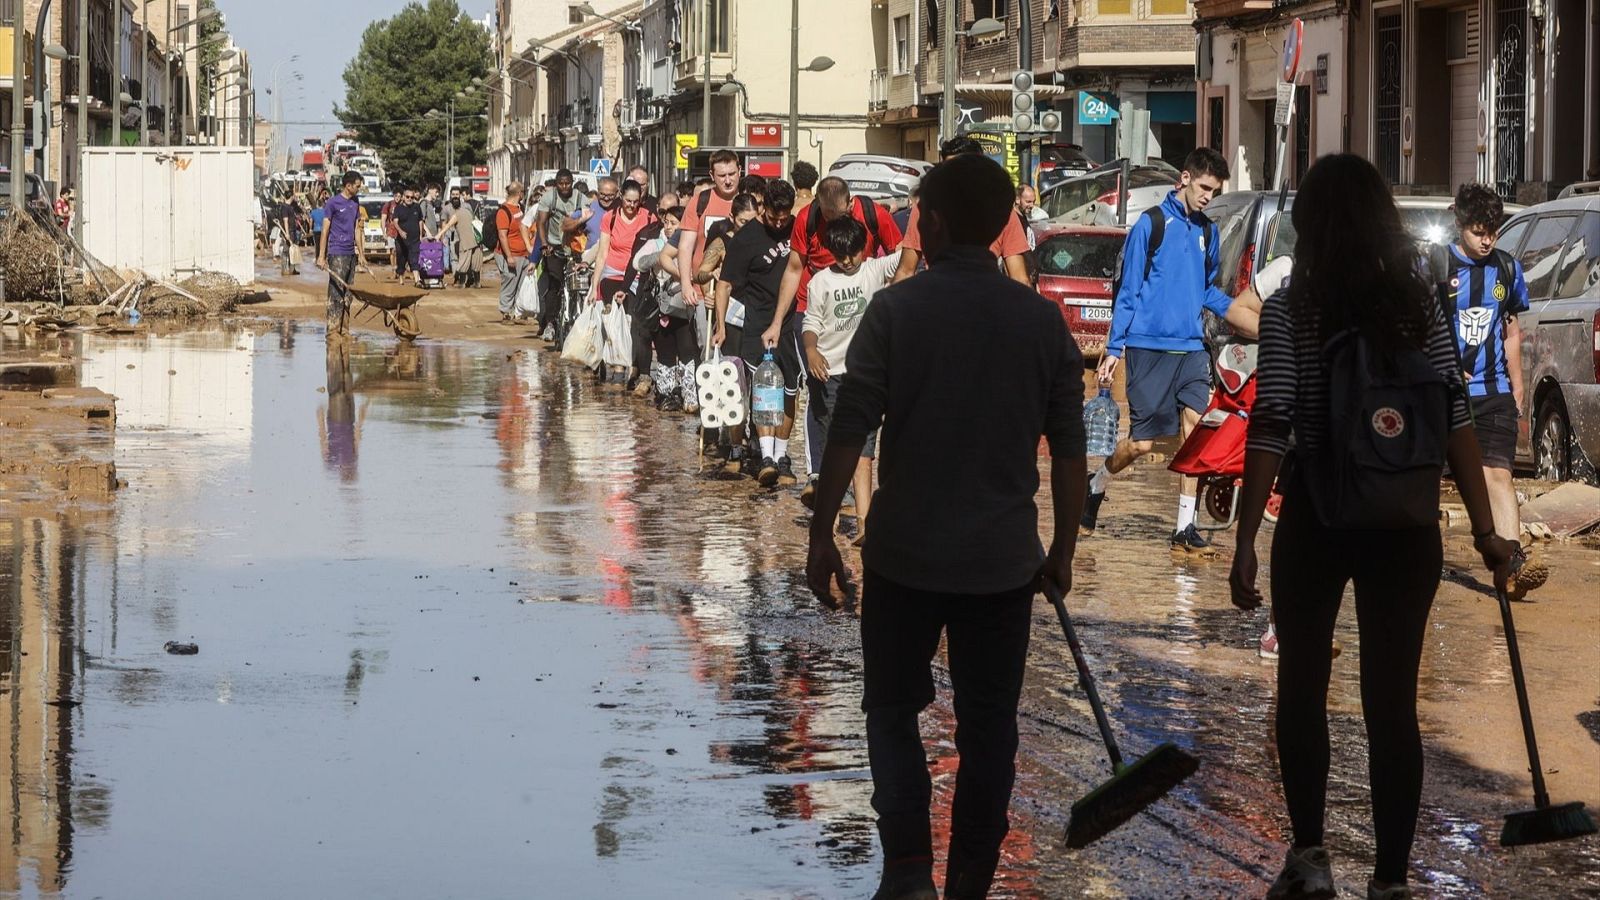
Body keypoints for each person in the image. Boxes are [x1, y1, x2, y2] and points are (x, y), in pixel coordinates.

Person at [1228, 153, 1517, 900]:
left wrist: (1247, 542)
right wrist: (1486, 531)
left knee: (1303, 686)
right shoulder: (1416, 303)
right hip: (1406, 519)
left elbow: (1274, 417)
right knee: (1392, 705)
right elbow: (1454, 412)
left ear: (1313, 223)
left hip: (1320, 514)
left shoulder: (1297, 306)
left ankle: (1312, 858)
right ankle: (1390, 880)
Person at [806, 152, 1086, 900]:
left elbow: (848, 430)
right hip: (1002, 563)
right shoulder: (1042, 323)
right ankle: (968, 882)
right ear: (1002, 228)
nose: (915, 224)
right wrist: (1061, 550)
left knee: (892, 711)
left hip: (904, 557)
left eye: (920, 213)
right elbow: (1070, 454)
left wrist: (820, 534)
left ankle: (905, 871)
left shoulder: (896, 312)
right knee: (989, 729)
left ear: (932, 222)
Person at [1082, 146, 1260, 554]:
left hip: (1192, 349)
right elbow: (1128, 290)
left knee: (1198, 432)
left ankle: (1184, 529)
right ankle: (1096, 484)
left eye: (1214, 192)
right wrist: (1114, 348)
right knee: (1142, 444)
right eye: (1203, 188)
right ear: (1184, 178)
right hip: (1149, 348)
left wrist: (1244, 316)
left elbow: (1206, 290)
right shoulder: (1151, 224)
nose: (1207, 198)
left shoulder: (1208, 232)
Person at [1430, 183, 1546, 600]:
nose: (1487, 240)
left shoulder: (1507, 270)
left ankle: (1512, 564)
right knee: (1427, 481)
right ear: (1460, 225)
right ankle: (1413, 561)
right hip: (1441, 393)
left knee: (1498, 473)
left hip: (1493, 390)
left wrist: (1517, 388)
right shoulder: (1435, 265)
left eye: (1493, 231)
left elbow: (1511, 329)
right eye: (1479, 231)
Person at [773, 175, 904, 503]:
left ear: (850, 203)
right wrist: (778, 321)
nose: (831, 224)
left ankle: (856, 487)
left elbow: (904, 257)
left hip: (863, 315)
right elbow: (793, 269)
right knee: (818, 391)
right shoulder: (807, 219)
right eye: (826, 218)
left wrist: (891, 300)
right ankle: (818, 475)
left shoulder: (874, 215)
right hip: (813, 311)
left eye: (838, 217)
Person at [802, 216, 897, 544]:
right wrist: (811, 351)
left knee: (865, 452)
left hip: (865, 377)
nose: (848, 261)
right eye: (841, 256)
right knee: (832, 450)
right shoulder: (821, 283)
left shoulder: (874, 269)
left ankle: (864, 524)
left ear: (863, 248)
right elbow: (811, 321)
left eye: (853, 254)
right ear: (830, 252)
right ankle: (825, 525)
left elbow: (911, 253)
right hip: (828, 375)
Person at [714, 179, 800, 488]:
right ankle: (765, 456)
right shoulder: (746, 239)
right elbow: (724, 285)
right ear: (763, 207)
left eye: (784, 216)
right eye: (774, 216)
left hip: (792, 323)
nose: (779, 222)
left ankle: (781, 455)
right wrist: (721, 325)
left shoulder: (797, 228)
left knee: (790, 391)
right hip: (757, 322)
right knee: (764, 391)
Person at [890, 137, 1031, 286]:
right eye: (948, 172)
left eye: (961, 171)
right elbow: (905, 271)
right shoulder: (925, 208)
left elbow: (1020, 278)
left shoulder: (1002, 211)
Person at [592, 180, 658, 385]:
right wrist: (595, 285)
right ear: (621, 197)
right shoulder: (609, 218)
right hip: (611, 274)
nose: (631, 206)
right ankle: (618, 364)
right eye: (628, 201)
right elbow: (602, 252)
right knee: (612, 323)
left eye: (635, 202)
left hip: (637, 275)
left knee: (635, 324)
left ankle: (635, 368)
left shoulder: (648, 217)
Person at [679, 150, 746, 349]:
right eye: (722, 176)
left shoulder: (747, 202)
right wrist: (685, 283)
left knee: (735, 353)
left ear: (740, 171)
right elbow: (685, 246)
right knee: (707, 350)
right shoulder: (700, 201)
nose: (728, 181)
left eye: (732, 174)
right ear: (711, 176)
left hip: (739, 294)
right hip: (704, 291)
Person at [533, 170, 588, 341]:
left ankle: (578, 318)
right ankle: (550, 323)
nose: (564, 187)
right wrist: (544, 244)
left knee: (580, 285)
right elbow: (541, 223)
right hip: (554, 246)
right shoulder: (550, 198)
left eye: (567, 183)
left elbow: (590, 220)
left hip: (575, 248)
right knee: (555, 285)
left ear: (572, 182)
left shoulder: (581, 198)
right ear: (556, 184)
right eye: (561, 183)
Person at [316, 172, 364, 338]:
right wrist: (321, 256)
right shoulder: (333, 203)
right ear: (348, 186)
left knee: (348, 294)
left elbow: (357, 229)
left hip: (351, 254)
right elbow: (325, 229)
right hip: (337, 252)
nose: (359, 189)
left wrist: (362, 255)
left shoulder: (355, 202)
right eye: (357, 186)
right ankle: (333, 330)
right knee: (336, 293)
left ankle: (344, 330)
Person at [494, 181, 535, 324]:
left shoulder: (520, 209)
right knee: (509, 282)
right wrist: (509, 256)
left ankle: (518, 312)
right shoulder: (503, 211)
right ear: (519, 194)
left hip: (524, 254)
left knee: (521, 284)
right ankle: (505, 312)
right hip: (510, 254)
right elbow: (502, 235)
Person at [441, 187, 483, 287]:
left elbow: (474, 220)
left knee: (471, 260)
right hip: (453, 237)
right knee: (455, 260)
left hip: (468, 237)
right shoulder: (446, 208)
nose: (455, 196)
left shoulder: (467, 206)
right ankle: (458, 280)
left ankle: (469, 280)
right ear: (450, 195)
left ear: (460, 195)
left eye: (457, 194)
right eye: (453, 194)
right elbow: (444, 223)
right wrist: (443, 238)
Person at [393, 187, 425, 286]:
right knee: (401, 258)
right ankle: (401, 277)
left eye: (412, 197)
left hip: (415, 239)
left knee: (414, 258)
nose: (410, 199)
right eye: (407, 197)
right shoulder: (398, 208)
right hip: (401, 240)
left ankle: (417, 280)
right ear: (403, 197)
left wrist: (420, 235)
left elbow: (420, 221)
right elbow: (395, 222)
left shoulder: (417, 207)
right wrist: (401, 231)